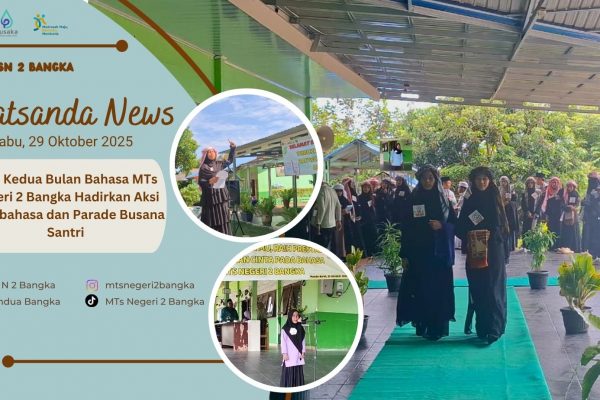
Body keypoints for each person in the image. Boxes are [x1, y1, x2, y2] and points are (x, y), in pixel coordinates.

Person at [396, 165, 456, 341]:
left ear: (436, 180)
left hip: (439, 255)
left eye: (431, 178)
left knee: (438, 290)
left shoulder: (443, 201)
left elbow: (455, 224)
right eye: (424, 178)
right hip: (419, 254)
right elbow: (406, 227)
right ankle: (423, 324)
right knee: (421, 289)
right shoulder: (413, 199)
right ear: (420, 180)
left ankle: (437, 327)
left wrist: (441, 225)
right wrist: (404, 254)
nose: (428, 181)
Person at [456, 167, 509, 345]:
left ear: (490, 180)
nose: (482, 182)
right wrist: (473, 233)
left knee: (494, 287)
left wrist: (492, 234)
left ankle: (495, 328)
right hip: (476, 249)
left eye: (485, 179)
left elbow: (503, 225)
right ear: (473, 181)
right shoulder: (469, 200)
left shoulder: (495, 197)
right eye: (478, 179)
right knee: (479, 287)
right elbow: (460, 226)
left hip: (494, 250)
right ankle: (483, 327)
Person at [198, 140, 236, 235]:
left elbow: (230, 160)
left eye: (213, 151)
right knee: (211, 220)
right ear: (206, 154)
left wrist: (232, 148)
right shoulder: (203, 167)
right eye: (209, 152)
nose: (212, 153)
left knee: (223, 218)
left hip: (221, 196)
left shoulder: (219, 163)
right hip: (210, 199)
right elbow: (201, 182)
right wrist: (209, 182)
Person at [310, 182, 342, 251]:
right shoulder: (333, 191)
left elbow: (322, 208)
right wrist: (339, 220)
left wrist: (318, 223)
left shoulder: (320, 191)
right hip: (332, 224)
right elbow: (338, 206)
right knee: (327, 245)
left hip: (322, 225)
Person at [280, 309, 305, 387]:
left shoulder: (300, 328)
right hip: (289, 354)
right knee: (289, 368)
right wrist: (284, 353)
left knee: (297, 367)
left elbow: (303, 340)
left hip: (298, 354)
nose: (295, 317)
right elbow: (283, 342)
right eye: (293, 315)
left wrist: (303, 352)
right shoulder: (285, 329)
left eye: (297, 316)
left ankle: (298, 385)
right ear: (290, 317)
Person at [536, 177, 563, 250]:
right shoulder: (546, 192)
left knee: (558, 230)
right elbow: (543, 203)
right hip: (549, 214)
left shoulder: (561, 192)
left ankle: (558, 246)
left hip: (559, 214)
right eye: (553, 182)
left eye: (556, 182)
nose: (555, 184)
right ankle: (550, 246)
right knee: (550, 230)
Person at [499, 176, 519, 263]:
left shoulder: (510, 190)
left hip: (509, 213)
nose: (503, 183)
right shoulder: (499, 190)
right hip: (501, 213)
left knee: (508, 234)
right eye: (502, 181)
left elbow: (510, 201)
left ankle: (507, 254)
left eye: (505, 181)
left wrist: (503, 205)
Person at [357, 182, 378, 257]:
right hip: (363, 220)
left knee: (373, 235)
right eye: (364, 187)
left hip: (372, 220)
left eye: (367, 187)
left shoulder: (372, 197)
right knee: (366, 236)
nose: (366, 189)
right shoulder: (359, 197)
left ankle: (374, 251)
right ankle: (367, 252)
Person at [560, 180, 581, 252]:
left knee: (573, 230)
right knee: (566, 230)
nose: (569, 188)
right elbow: (562, 204)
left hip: (573, 215)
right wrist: (567, 207)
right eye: (568, 186)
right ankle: (566, 246)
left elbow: (576, 205)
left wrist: (571, 207)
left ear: (573, 187)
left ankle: (574, 247)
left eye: (571, 186)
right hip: (566, 214)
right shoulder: (565, 194)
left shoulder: (576, 194)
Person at [582, 172, 600, 258]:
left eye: (593, 179)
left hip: (596, 215)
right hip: (590, 216)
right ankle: (592, 253)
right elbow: (587, 202)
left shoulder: (597, 188)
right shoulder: (590, 190)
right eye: (590, 179)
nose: (591, 181)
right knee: (591, 235)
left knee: (596, 235)